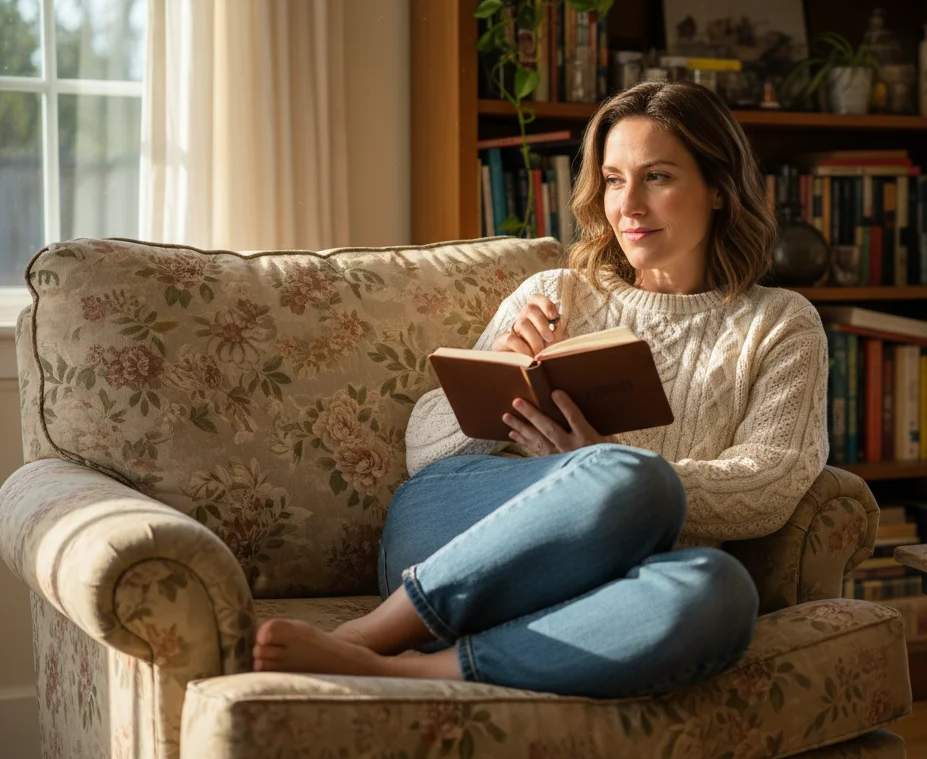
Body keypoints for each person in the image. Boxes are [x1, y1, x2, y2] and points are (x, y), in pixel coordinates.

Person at [251, 81, 830, 699]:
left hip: (600, 576)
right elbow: (424, 451)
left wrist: (597, 466)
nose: (628, 204)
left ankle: (408, 671)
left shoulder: (779, 322)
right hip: (454, 529)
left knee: (720, 588)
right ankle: (372, 634)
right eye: (612, 179)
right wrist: (500, 371)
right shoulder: (559, 292)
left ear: (719, 187)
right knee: (631, 475)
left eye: (656, 177)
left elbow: (772, 482)